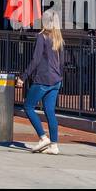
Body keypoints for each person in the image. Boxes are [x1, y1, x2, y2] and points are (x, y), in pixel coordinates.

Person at [20, 9, 64, 154]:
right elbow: (61, 62)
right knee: (50, 111)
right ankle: (54, 145)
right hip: (56, 80)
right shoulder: (59, 38)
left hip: (43, 79)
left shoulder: (42, 37)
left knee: (28, 106)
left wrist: (23, 77)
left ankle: (42, 137)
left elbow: (36, 59)